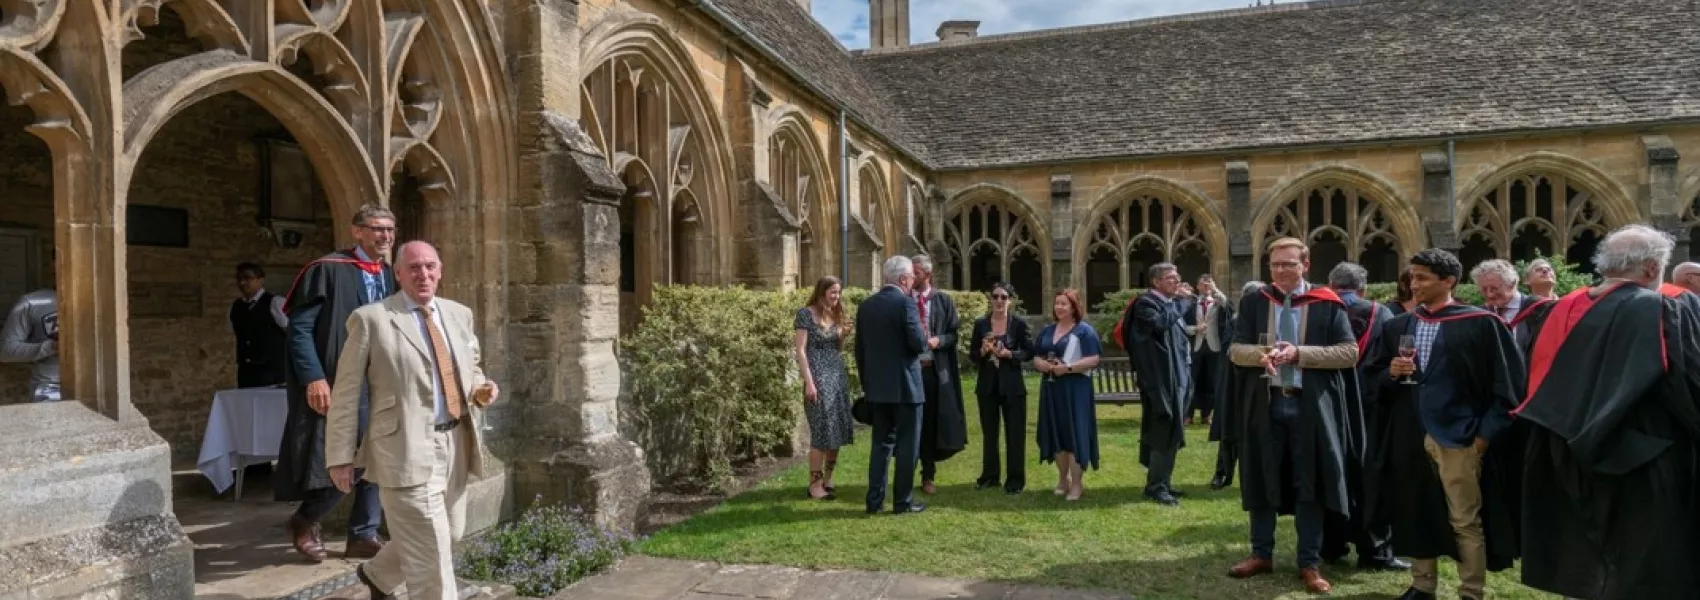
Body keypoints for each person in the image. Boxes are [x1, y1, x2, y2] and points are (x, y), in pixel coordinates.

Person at [1517, 225, 1700, 599]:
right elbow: (1689, 386)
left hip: (1568, 451)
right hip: (1647, 457)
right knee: (1649, 569)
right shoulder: (1664, 307)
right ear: (1652, 269)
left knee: (1592, 561)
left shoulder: (1559, 308)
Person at [327, 241, 498, 600]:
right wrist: (340, 456)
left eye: (430, 266)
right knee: (432, 557)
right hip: (402, 449)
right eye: (414, 268)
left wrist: (480, 389)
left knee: (448, 533)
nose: (423, 274)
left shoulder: (458, 314)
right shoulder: (371, 319)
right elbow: (345, 392)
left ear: (440, 271)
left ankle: (377, 575)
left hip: (454, 445)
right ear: (398, 273)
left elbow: (472, 366)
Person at [1363, 248, 1524, 600]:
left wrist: (1482, 437)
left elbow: (1509, 387)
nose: (1413, 284)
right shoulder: (1398, 326)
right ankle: (1423, 585)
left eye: (1422, 278)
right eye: (1412, 276)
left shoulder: (1481, 324)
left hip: (1460, 436)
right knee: (1416, 508)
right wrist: (1390, 373)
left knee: (1464, 518)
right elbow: (1371, 379)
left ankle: (1470, 590)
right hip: (1409, 434)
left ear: (1448, 280)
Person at [1222, 238, 1363, 595]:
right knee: (1262, 476)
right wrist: (1262, 355)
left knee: (1309, 481)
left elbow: (1349, 352)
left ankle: (1309, 562)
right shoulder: (1256, 300)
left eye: (1288, 264)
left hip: (1309, 406)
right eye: (1275, 265)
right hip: (1266, 404)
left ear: (1306, 264)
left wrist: (1300, 353)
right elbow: (1235, 349)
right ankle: (1261, 553)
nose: (1281, 271)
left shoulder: (1326, 303)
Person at [276, 203, 396, 562]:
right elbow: (299, 329)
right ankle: (304, 520)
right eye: (377, 229)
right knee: (344, 459)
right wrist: (313, 377)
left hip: (380, 383)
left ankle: (363, 533)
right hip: (338, 383)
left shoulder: (390, 275)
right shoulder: (327, 269)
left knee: (380, 456)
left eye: (389, 230)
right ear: (357, 231)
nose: (384, 236)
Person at [1320, 262, 1407, 571]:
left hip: (1327, 405)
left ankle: (1330, 544)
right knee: (1372, 478)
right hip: (1370, 406)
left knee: (1333, 471)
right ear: (1364, 288)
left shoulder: (1320, 309)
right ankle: (1375, 551)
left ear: (1331, 283)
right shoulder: (1381, 314)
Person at [855, 255, 928, 515]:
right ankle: (902, 502)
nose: (912, 282)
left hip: (877, 389)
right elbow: (918, 344)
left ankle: (874, 501)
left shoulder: (866, 306)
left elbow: (860, 352)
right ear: (903, 279)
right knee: (908, 446)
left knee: (880, 445)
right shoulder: (905, 304)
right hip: (907, 387)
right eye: (911, 278)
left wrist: (869, 386)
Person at [1121, 263, 1191, 505]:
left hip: (1177, 377)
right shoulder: (1146, 304)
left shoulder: (1168, 304)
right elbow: (1160, 326)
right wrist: (1182, 304)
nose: (1177, 282)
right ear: (1156, 282)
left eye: (1177, 277)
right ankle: (1156, 487)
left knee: (1172, 430)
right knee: (1163, 428)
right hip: (1160, 381)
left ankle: (1163, 481)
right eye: (1170, 278)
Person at [1033, 288, 1102, 501]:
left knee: (1074, 434)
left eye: (1064, 303)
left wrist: (1069, 368)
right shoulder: (1047, 331)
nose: (1059, 307)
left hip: (1075, 390)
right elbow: (1036, 356)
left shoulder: (1084, 331)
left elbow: (1093, 360)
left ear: (1074, 307)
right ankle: (1063, 479)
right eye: (1057, 303)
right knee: (1057, 433)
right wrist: (1042, 365)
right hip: (1052, 389)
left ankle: (1077, 483)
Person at [793, 276, 854, 501]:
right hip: (817, 377)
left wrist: (843, 335)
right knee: (820, 431)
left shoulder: (836, 314)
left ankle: (828, 478)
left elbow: (836, 347)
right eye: (833, 292)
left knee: (835, 430)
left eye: (838, 293)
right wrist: (809, 382)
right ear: (821, 292)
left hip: (837, 376)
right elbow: (800, 351)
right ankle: (814, 484)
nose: (836, 297)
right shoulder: (805, 314)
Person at [909, 254, 965, 496]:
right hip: (909, 371)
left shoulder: (942, 301)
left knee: (930, 423)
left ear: (928, 275)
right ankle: (905, 473)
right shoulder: (903, 301)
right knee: (910, 423)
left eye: (917, 274)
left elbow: (954, 335)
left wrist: (938, 340)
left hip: (933, 371)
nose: (913, 278)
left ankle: (928, 475)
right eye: (911, 273)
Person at [969, 282, 1032, 495]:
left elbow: (1029, 352)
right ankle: (990, 476)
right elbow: (973, 357)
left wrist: (1010, 355)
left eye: (1003, 297)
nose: (998, 301)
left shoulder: (1019, 325)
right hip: (987, 387)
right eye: (995, 296)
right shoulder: (980, 324)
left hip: (1012, 387)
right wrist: (983, 351)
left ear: (1010, 301)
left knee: (1015, 434)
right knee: (989, 433)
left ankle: (1015, 480)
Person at [1209, 280, 1261, 490]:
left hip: (1260, 384)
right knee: (1229, 431)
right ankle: (1223, 473)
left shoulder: (1270, 322)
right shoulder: (1236, 321)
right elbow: (1229, 351)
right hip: (1234, 383)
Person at [1471, 259, 1556, 356]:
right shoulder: (1480, 315)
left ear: (1512, 284)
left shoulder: (1540, 309)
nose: (1489, 295)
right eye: (1484, 289)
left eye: (1494, 288)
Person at [230, 263, 288, 388]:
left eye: (247, 278)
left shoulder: (275, 303)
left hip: (272, 371)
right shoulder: (237, 306)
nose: (242, 283)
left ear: (260, 280)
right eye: (239, 279)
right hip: (247, 371)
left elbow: (292, 333)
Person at [1, 288, 58, 402]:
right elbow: (5, 351)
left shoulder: (101, 300)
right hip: (50, 388)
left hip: (96, 386)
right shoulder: (31, 302)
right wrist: (52, 347)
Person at [1188, 274, 1229, 427]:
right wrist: (1194, 329)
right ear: (1197, 287)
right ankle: (1188, 415)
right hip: (1196, 345)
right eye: (1202, 285)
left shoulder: (1219, 303)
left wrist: (1215, 290)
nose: (1205, 287)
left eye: (1209, 284)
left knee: (1212, 381)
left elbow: (1228, 307)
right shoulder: (1191, 304)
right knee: (1192, 380)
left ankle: (1207, 414)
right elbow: (1181, 324)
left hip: (1214, 345)